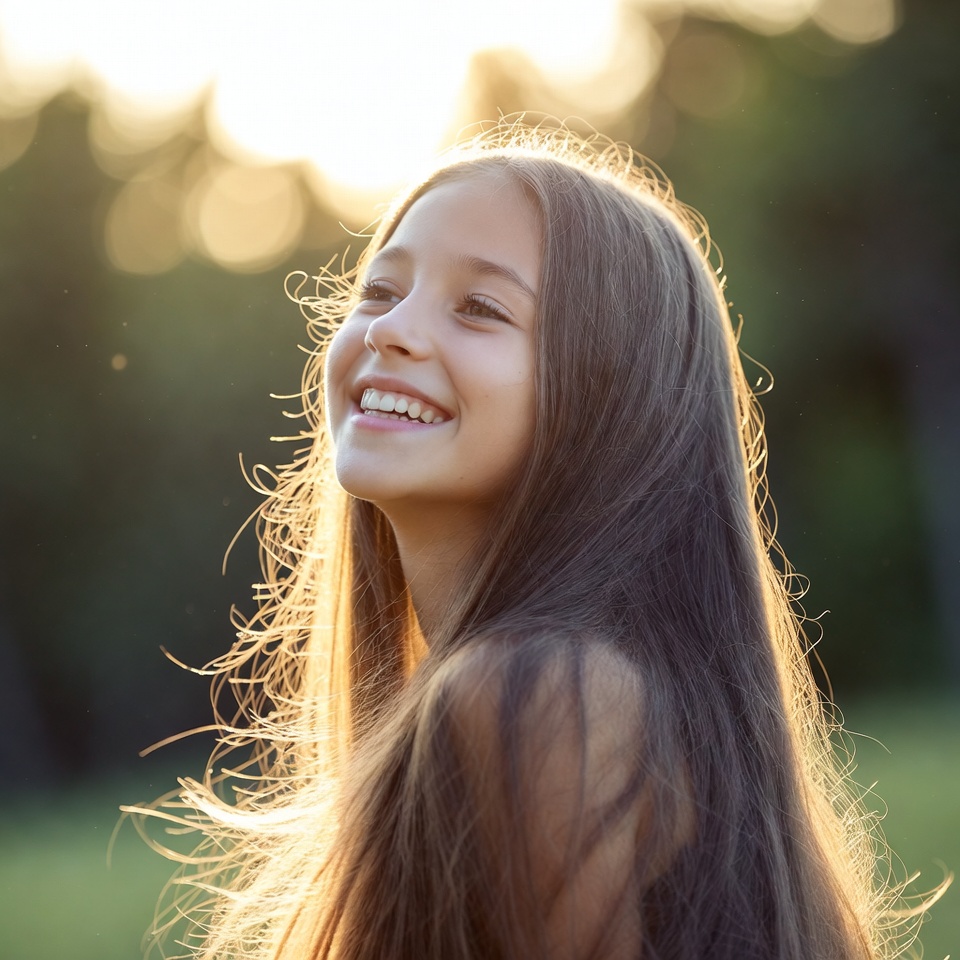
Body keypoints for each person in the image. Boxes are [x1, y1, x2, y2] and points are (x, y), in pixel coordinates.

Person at [142, 121, 930, 959]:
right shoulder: (566, 688)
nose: (389, 329)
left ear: (608, 398)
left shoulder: (540, 695)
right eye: (378, 291)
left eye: (480, 308)